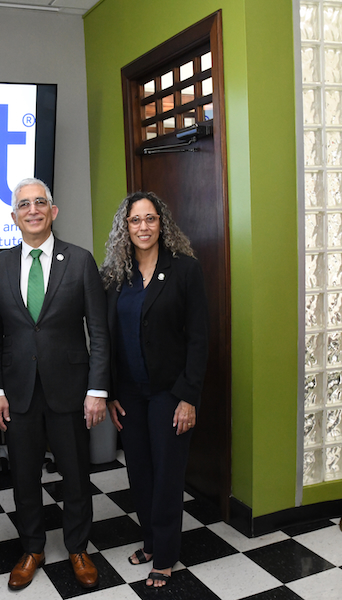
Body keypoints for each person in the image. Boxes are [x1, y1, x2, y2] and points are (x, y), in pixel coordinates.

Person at [0, 178, 110, 591]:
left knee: (75, 475)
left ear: (53, 212)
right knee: (23, 478)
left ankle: (77, 547)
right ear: (14, 216)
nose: (32, 210)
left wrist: (97, 390)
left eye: (40, 202)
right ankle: (32, 548)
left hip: (70, 389)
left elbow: (99, 332)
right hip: (17, 392)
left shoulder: (80, 260)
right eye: (24, 204)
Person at [99, 191, 209, 589]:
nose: (143, 227)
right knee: (140, 472)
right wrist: (111, 392)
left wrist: (189, 397)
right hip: (129, 394)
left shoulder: (185, 270)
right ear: (125, 227)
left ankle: (164, 555)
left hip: (170, 393)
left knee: (166, 475)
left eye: (150, 219)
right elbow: (107, 338)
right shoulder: (114, 276)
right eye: (135, 220)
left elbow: (199, 338)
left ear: (162, 224)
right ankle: (150, 541)